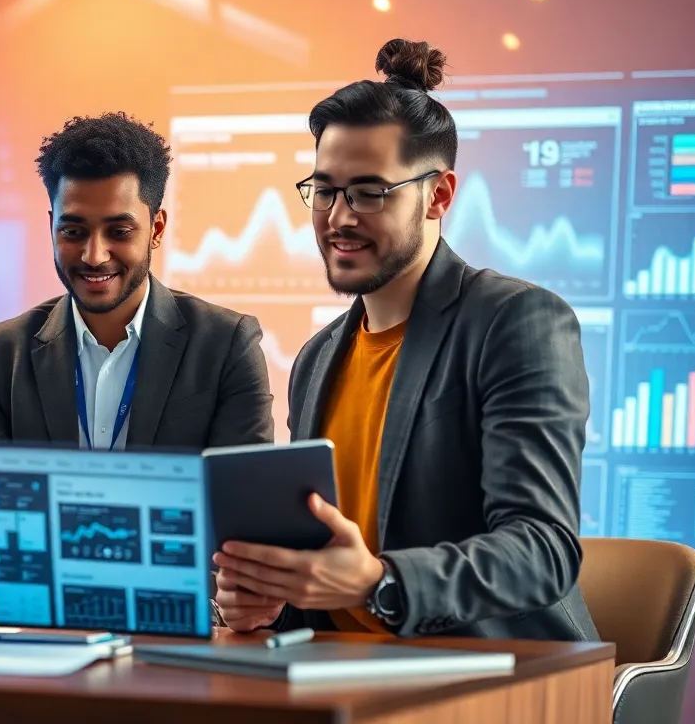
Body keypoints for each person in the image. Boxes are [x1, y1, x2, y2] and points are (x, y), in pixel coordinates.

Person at [212, 39, 599, 642]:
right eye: (325, 190)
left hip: (491, 678)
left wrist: (379, 582)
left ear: (438, 196)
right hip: (343, 673)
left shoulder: (517, 323)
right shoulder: (317, 358)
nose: (339, 216)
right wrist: (270, 598)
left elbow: (541, 549)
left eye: (370, 192)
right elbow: (327, 563)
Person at [0, 112, 274, 451]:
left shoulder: (227, 347)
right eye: (74, 232)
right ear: (52, 227)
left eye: (119, 232)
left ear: (156, 229)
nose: (94, 256)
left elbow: (242, 496)